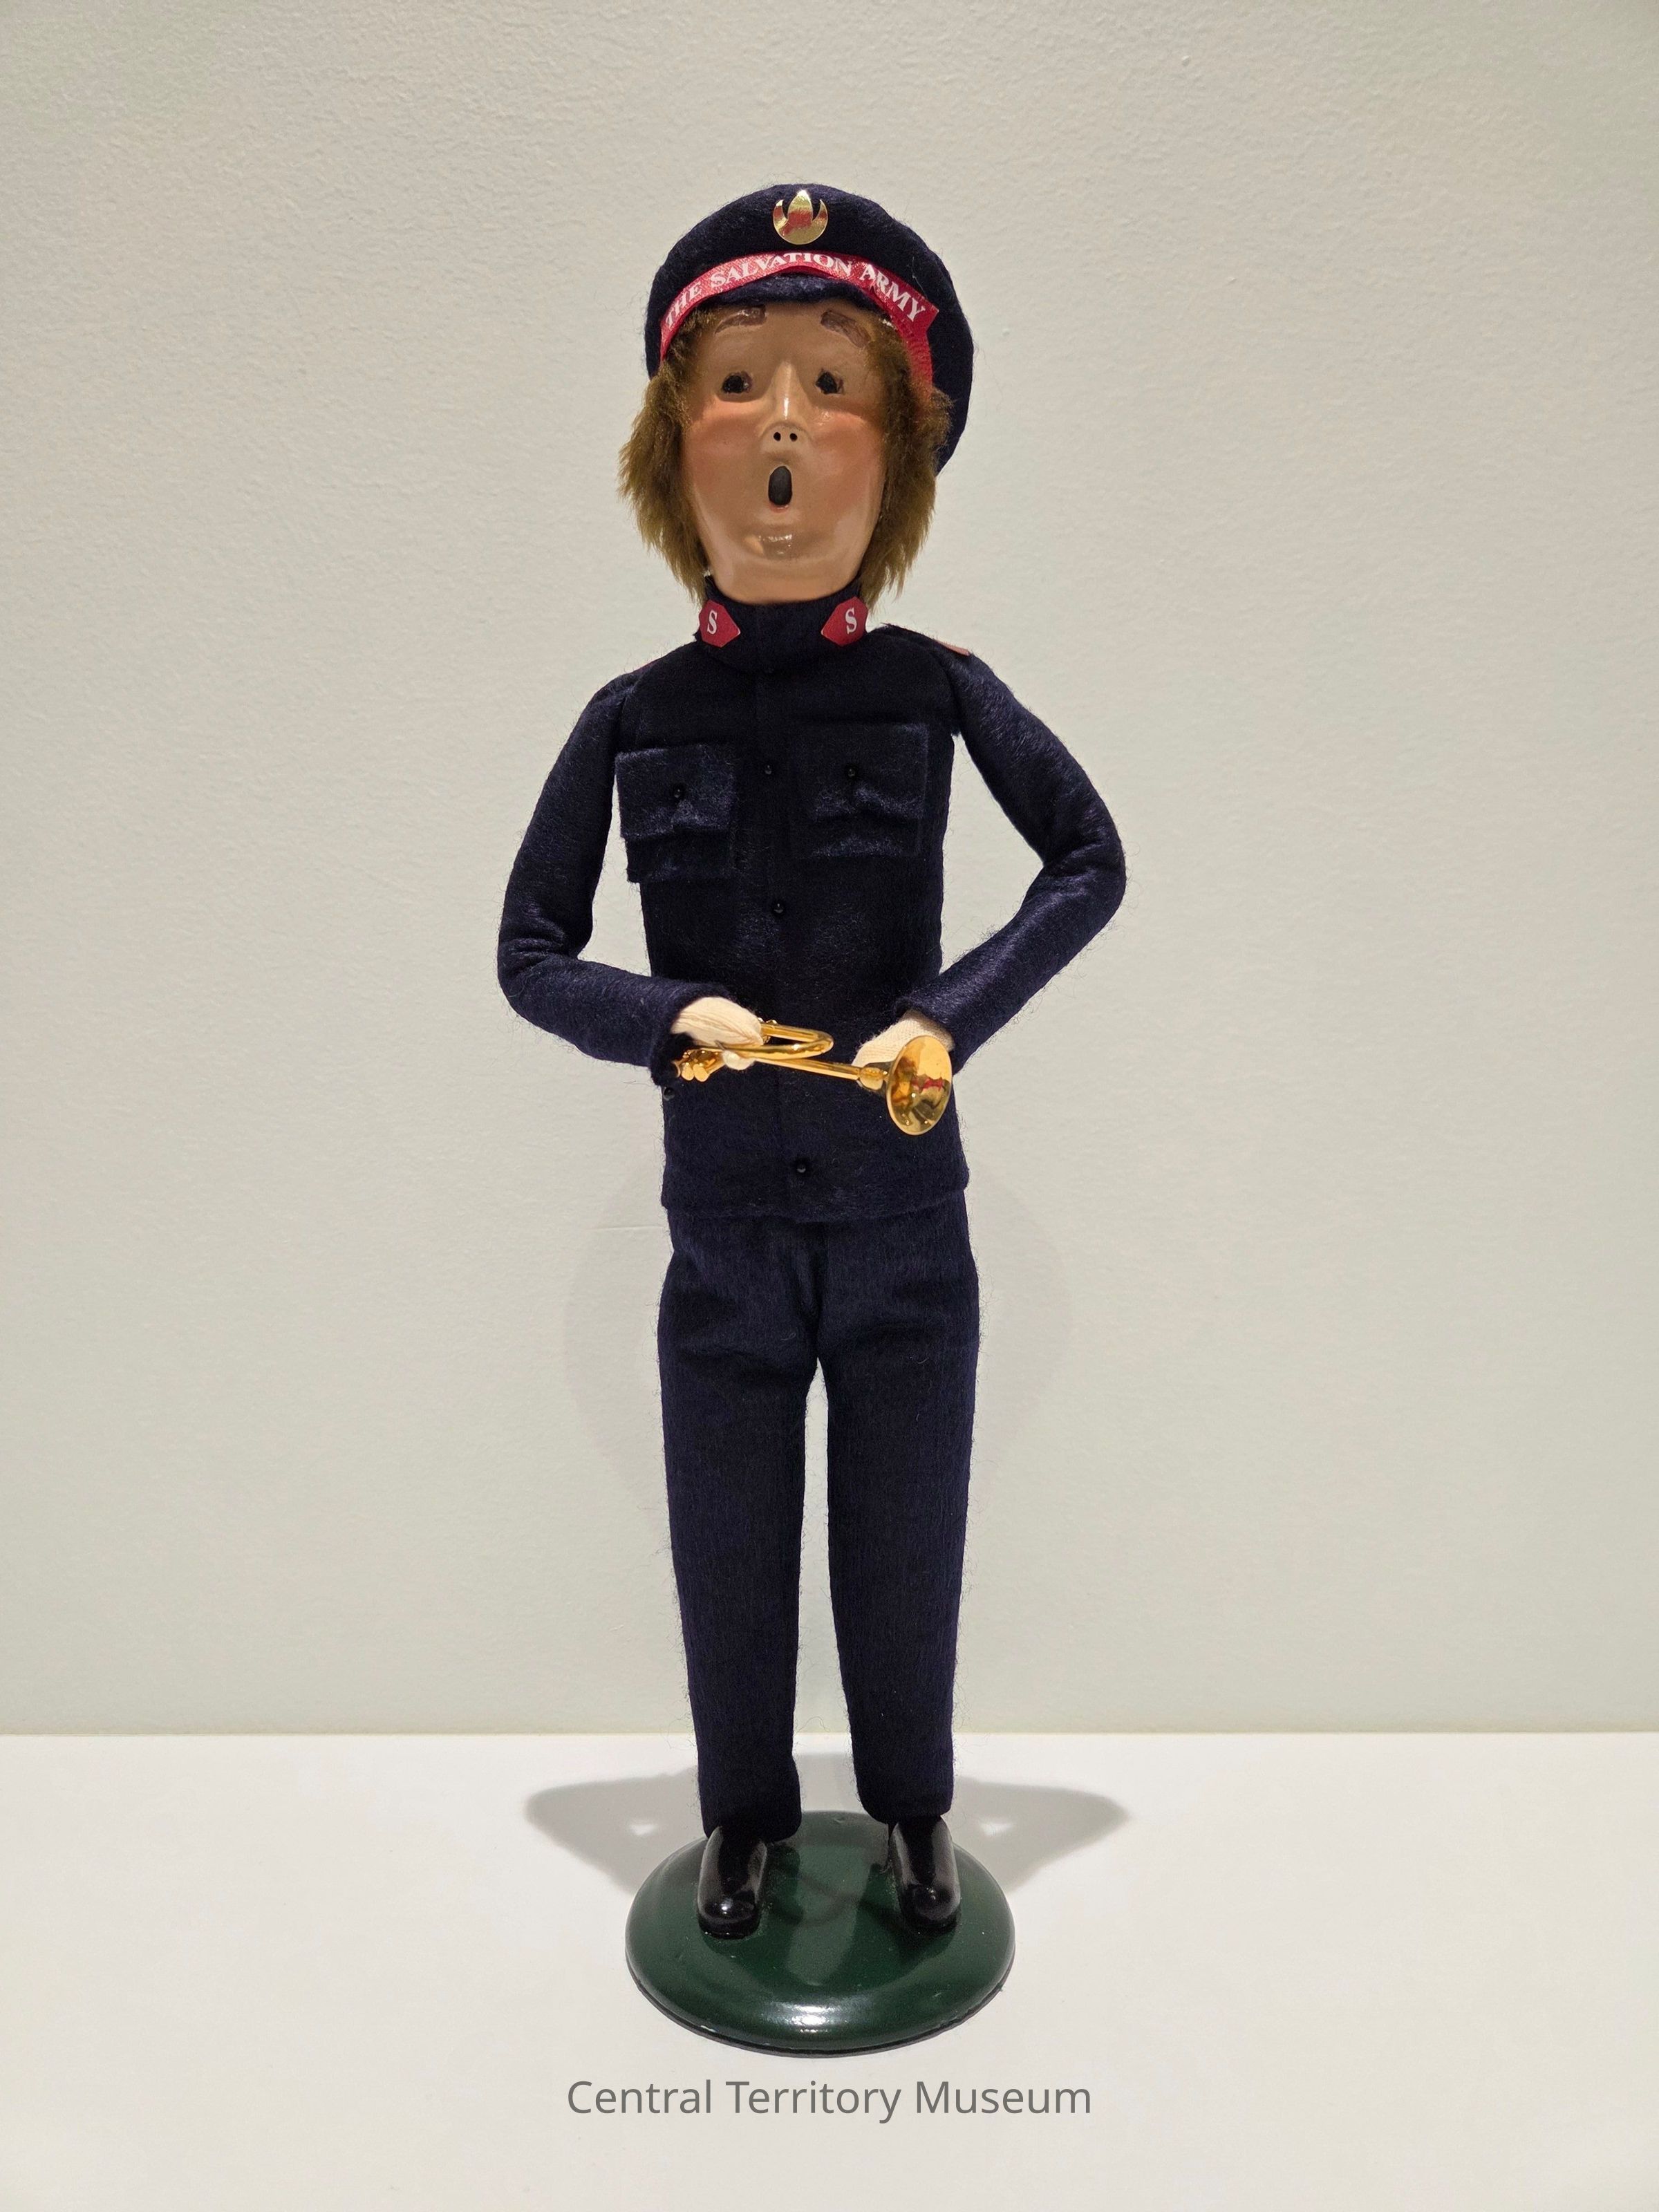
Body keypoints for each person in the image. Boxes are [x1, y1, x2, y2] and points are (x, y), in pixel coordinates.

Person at [498, 184, 1126, 1938]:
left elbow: (1089, 860)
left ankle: (916, 1810)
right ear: (667, 446)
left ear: (901, 459)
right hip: (722, 1236)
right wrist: (659, 1019)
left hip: (903, 1216)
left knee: (905, 1531)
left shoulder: (937, 691)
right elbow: (528, 952)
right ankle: (744, 1818)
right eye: (738, 381)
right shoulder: (633, 718)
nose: (782, 423)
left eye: (832, 385)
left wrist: (950, 1012)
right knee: (728, 1536)